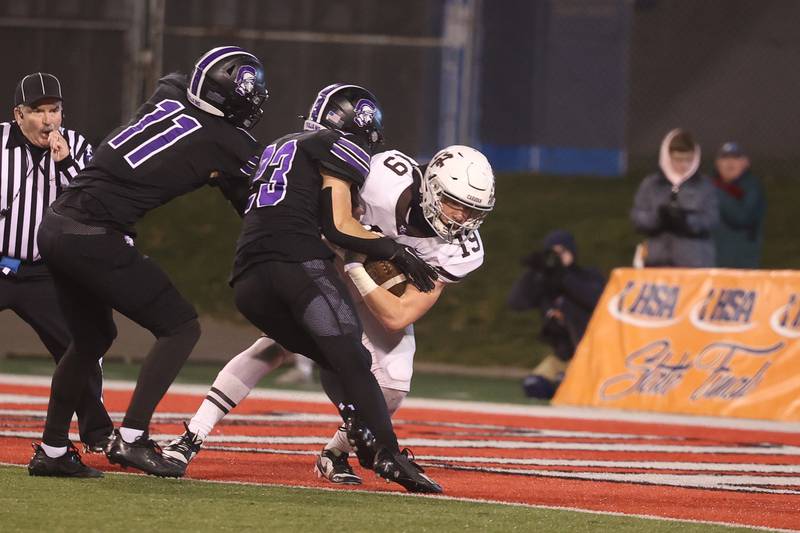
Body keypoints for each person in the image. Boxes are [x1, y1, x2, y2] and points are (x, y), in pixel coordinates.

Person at [161, 83, 443, 493]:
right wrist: (394, 252)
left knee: (325, 354)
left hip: (249, 278)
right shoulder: (339, 149)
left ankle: (190, 439)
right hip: (300, 266)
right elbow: (338, 225)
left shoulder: (282, 145)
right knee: (353, 357)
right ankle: (387, 453)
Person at [27, 46, 268, 478]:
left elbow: (174, 84)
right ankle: (133, 438)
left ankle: (53, 450)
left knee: (90, 339)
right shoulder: (230, 142)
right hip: (94, 234)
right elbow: (256, 202)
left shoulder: (171, 89)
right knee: (180, 326)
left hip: (57, 225)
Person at [1, 72, 113, 451]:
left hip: (42, 273)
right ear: (18, 114)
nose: (48, 120)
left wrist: (65, 163)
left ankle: (98, 433)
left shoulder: (78, 146)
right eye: (38, 111)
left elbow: (96, 200)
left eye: (55, 110)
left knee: (79, 346)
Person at [508, 230, 605, 399]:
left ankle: (572, 386)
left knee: (567, 384)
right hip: (563, 356)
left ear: (572, 251)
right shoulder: (546, 283)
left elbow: (597, 300)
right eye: (553, 253)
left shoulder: (588, 276)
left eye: (562, 252)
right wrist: (532, 272)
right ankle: (563, 388)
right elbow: (516, 303)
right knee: (534, 386)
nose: (558, 258)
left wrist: (564, 277)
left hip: (590, 356)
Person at [630, 129, 719, 267]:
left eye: (689, 160)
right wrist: (658, 218)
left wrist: (686, 221)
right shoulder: (652, 184)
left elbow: (711, 219)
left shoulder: (704, 186)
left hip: (694, 263)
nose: (684, 165)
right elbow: (637, 216)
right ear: (667, 157)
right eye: (678, 159)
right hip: (657, 262)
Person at [710, 142, 766, 268]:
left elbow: (742, 217)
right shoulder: (709, 188)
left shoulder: (752, 188)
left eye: (735, 158)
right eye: (724, 158)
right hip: (712, 263)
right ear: (717, 163)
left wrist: (716, 192)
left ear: (746, 162)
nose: (730, 163)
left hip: (741, 265)